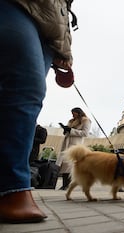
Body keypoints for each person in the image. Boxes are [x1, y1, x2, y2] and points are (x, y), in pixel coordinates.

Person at [0, 0, 75, 223]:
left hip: (49, 26)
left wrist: (64, 50)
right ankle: (11, 187)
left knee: (25, 92)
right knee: (25, 88)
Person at [56, 107, 91, 190]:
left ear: (78, 113)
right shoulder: (71, 121)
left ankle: (68, 184)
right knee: (64, 164)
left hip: (75, 144)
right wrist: (65, 129)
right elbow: (68, 130)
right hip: (67, 143)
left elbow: (85, 133)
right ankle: (65, 184)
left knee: (70, 165)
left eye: (74, 113)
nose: (72, 115)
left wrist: (71, 130)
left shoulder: (85, 120)